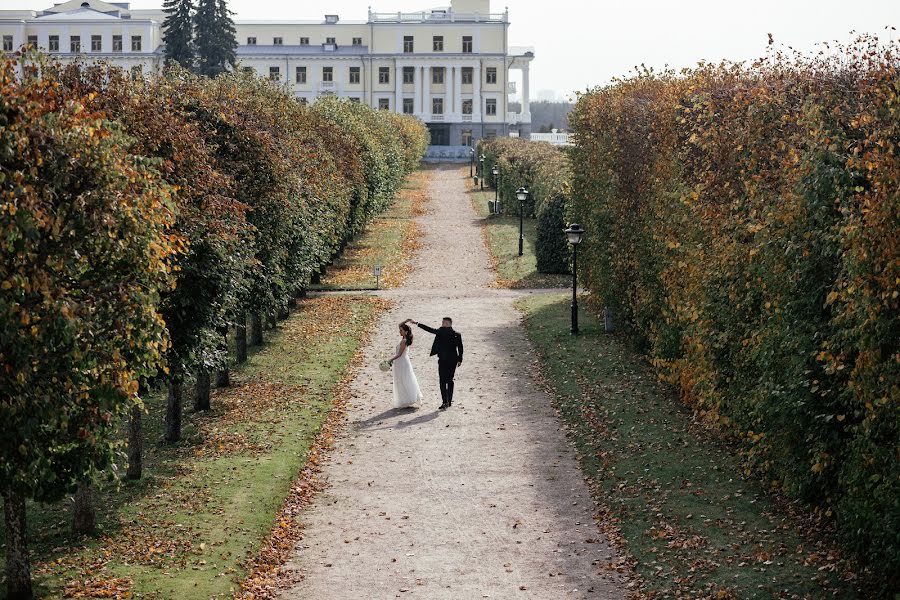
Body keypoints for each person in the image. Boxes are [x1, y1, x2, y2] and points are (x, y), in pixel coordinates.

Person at [405, 317, 463, 410]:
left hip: (443, 360)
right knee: (450, 380)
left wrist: (417, 323)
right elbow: (460, 348)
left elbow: (429, 329)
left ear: (448, 323)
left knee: (442, 381)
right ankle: (449, 401)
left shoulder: (441, 331)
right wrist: (460, 359)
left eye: (443, 322)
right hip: (453, 360)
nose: (442, 323)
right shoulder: (457, 334)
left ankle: (445, 401)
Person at [387, 322, 423, 409]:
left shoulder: (404, 341)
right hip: (402, 362)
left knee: (403, 380)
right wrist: (406, 320)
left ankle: (407, 399)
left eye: (401, 330)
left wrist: (390, 360)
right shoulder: (405, 339)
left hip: (401, 362)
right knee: (404, 379)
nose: (399, 331)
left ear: (406, 332)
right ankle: (406, 399)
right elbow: (400, 324)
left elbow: (399, 354)